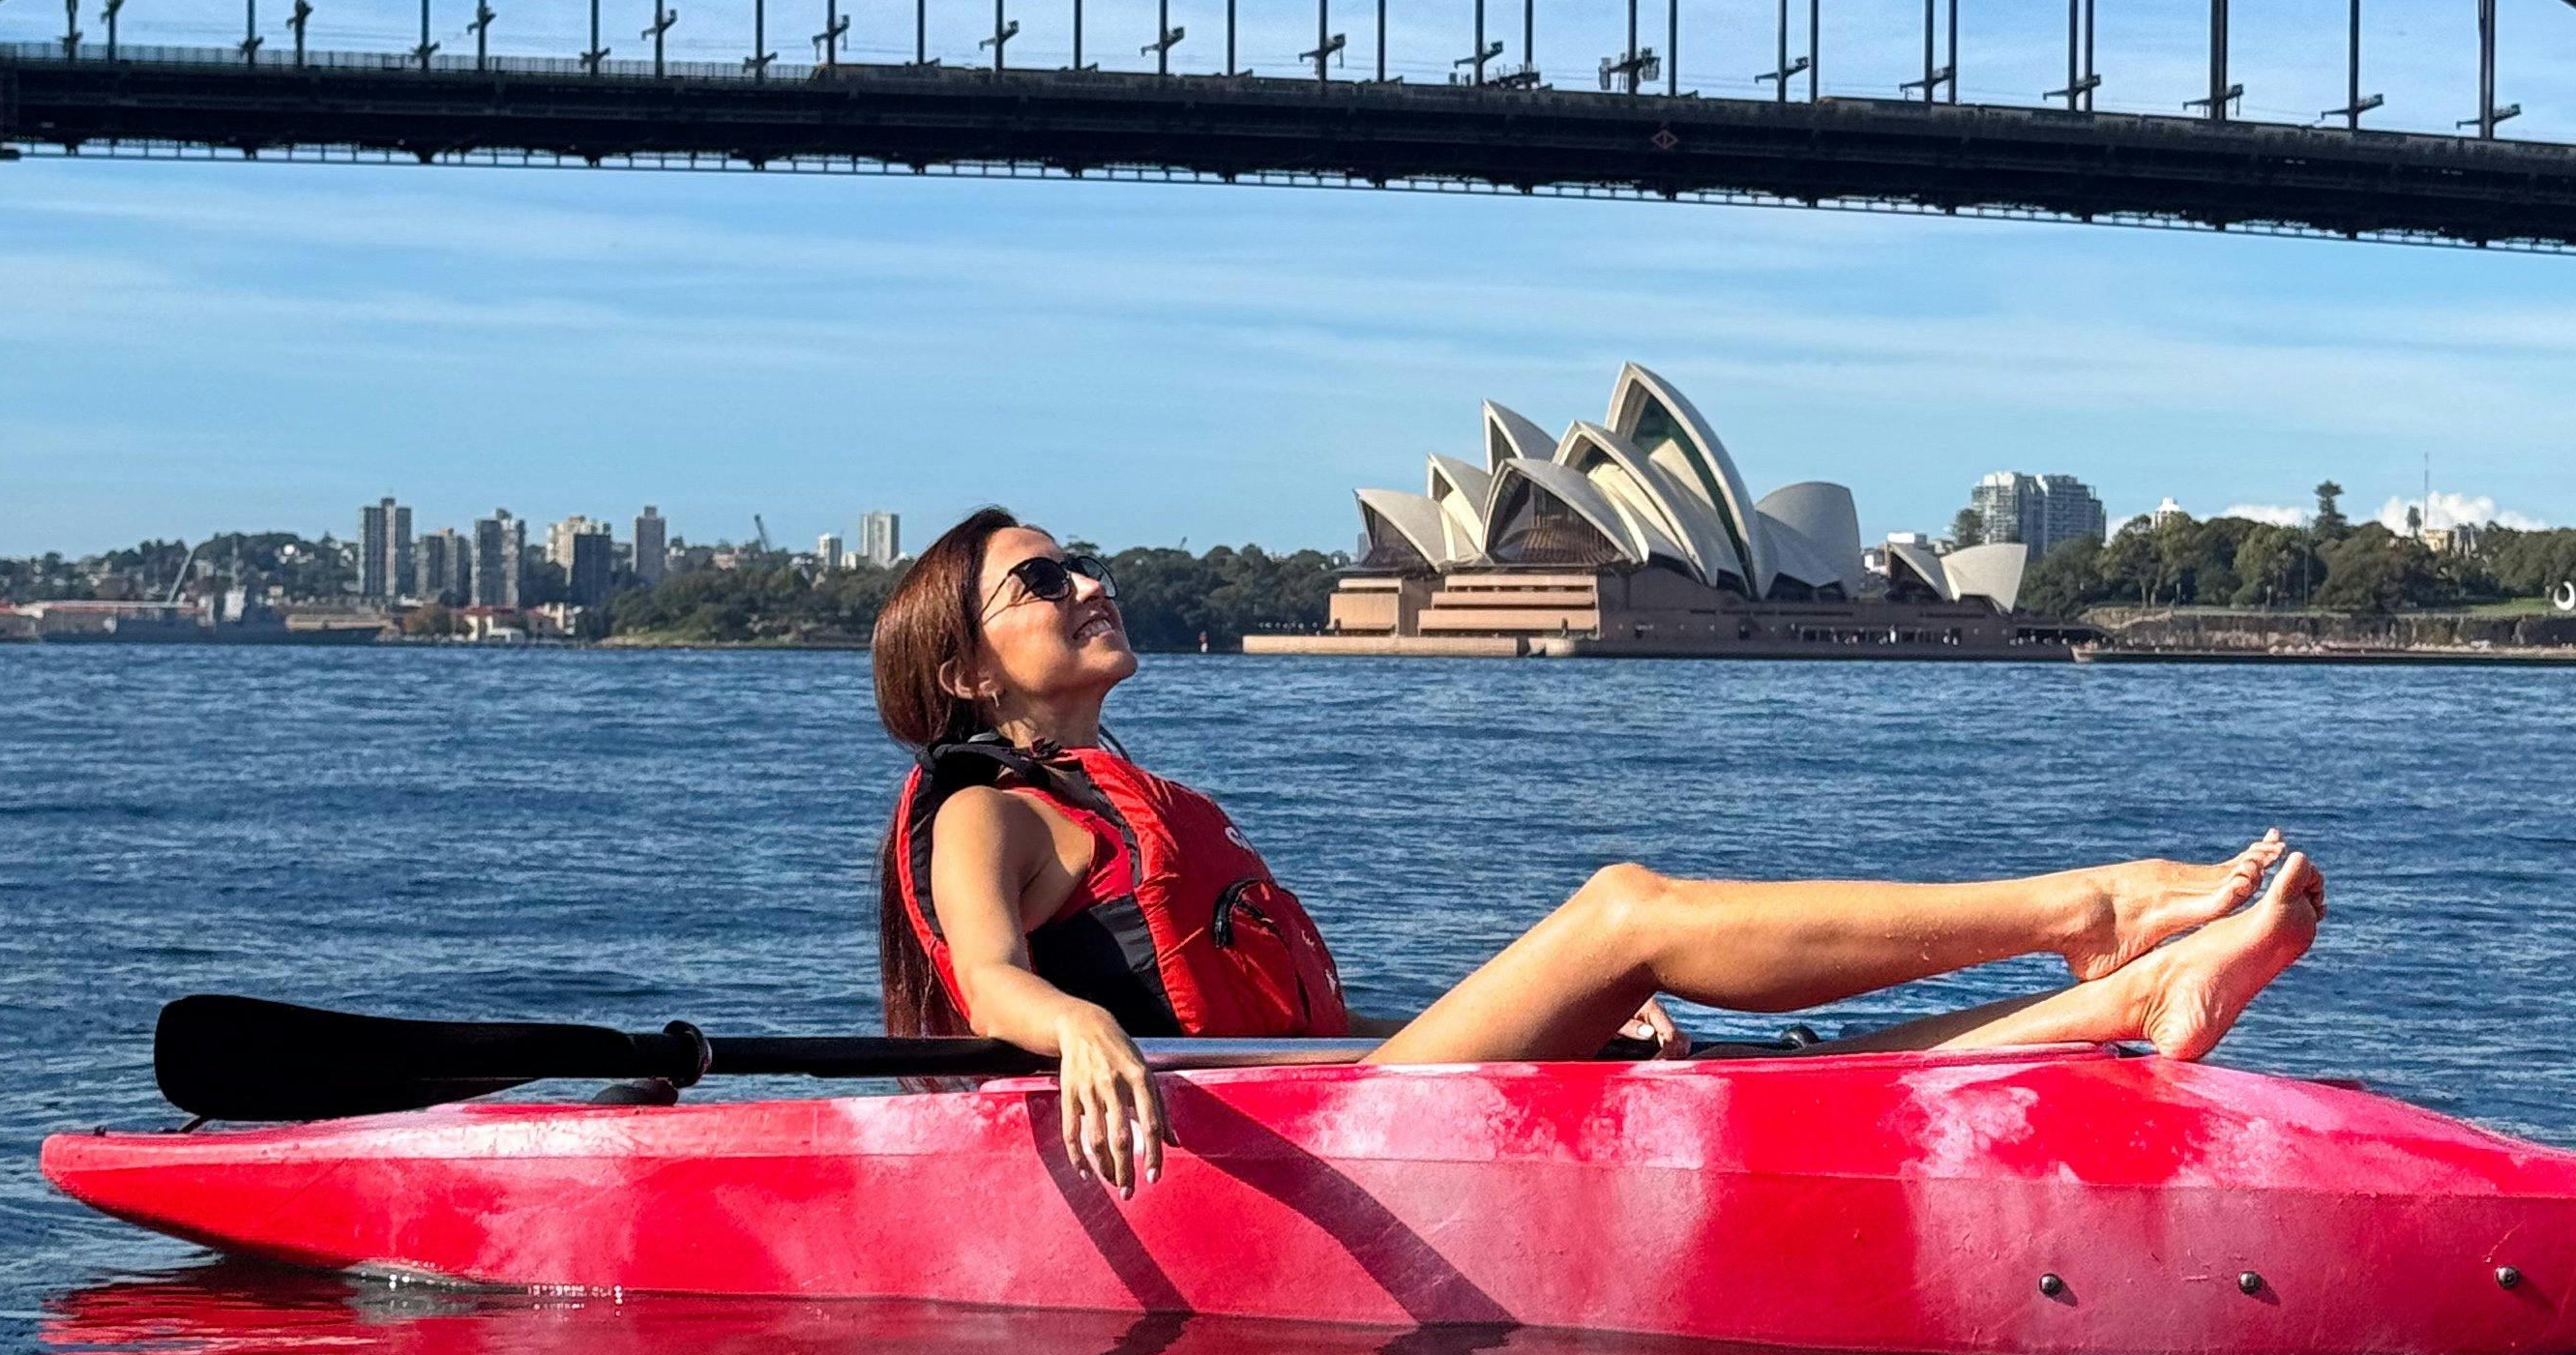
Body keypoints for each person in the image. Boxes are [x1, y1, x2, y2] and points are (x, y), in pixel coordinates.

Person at [875, 508, 2324, 1193]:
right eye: (1042, 580)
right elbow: (994, 979)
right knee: (1625, 903)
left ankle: (2126, 1005)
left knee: (1756, 1071)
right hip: (1254, 1145)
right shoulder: (983, 809)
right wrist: (1072, 1031)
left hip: (1323, 1097)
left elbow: (1291, 1023)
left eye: (1084, 559)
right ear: (961, 669)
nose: (1092, 582)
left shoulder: (1136, 801)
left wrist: (1566, 1020)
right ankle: (2093, 909)